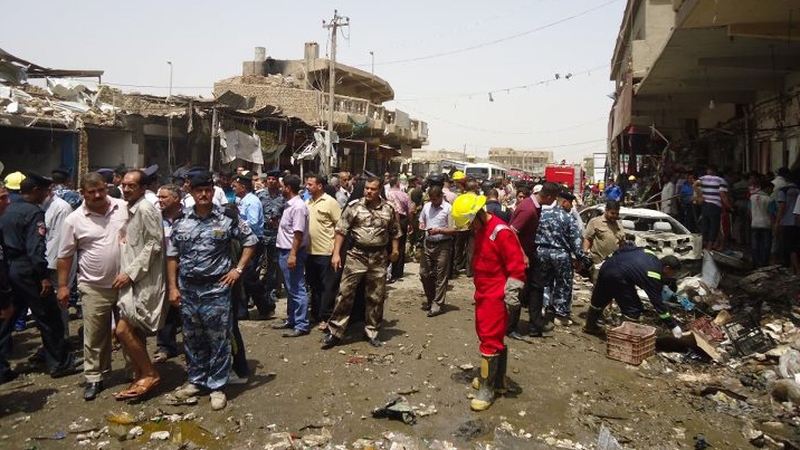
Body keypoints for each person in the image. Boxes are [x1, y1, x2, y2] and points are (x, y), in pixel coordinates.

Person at [166, 172, 258, 411]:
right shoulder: (180, 219)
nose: (203, 194)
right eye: (199, 190)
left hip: (216, 288)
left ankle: (217, 385)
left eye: (207, 189)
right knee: (192, 337)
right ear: (191, 192)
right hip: (188, 288)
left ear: (212, 190)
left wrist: (237, 269)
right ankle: (196, 380)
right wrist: (173, 287)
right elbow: (172, 256)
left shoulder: (227, 217)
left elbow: (251, 241)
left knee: (218, 338)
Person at [0, 173, 78, 384]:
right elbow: (36, 249)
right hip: (29, 270)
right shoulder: (33, 213)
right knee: (50, 317)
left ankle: (2, 368)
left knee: (7, 318)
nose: (46, 194)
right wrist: (43, 276)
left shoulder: (8, 210)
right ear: (35, 190)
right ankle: (59, 364)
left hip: (10, 269)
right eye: (43, 190)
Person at [451, 193, 525, 412]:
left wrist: (511, 295)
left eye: (469, 222)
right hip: (483, 292)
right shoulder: (482, 229)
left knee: (490, 339)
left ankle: (487, 389)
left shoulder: (500, 232)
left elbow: (517, 266)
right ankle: (498, 381)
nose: (469, 228)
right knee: (487, 335)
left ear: (477, 215)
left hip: (496, 295)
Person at [58, 172, 128, 400]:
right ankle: (94, 377)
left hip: (126, 284)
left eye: (101, 190)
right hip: (93, 286)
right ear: (83, 193)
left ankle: (135, 371)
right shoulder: (74, 220)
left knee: (130, 331)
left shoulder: (124, 208)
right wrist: (62, 285)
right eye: (92, 192)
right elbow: (66, 255)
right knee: (95, 335)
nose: (98, 195)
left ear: (106, 188)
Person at [321, 177, 401, 349]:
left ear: (379, 190)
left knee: (376, 296)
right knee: (345, 293)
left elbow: (395, 231)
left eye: (373, 189)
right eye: (367, 188)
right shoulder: (354, 206)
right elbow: (341, 231)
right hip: (356, 255)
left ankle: (371, 331)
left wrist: (394, 251)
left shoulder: (389, 209)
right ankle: (335, 332)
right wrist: (336, 254)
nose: (368, 192)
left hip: (379, 257)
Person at [112, 170, 167, 400]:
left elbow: (154, 244)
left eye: (131, 186)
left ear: (143, 188)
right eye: (124, 185)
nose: (126, 189)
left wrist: (130, 274)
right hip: (134, 280)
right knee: (133, 330)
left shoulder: (146, 209)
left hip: (144, 281)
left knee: (122, 330)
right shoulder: (132, 209)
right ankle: (140, 374)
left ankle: (149, 372)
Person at [583, 245, 684, 339]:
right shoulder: (653, 274)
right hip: (619, 276)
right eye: (673, 272)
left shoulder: (648, 252)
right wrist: (673, 325)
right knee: (634, 309)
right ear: (667, 268)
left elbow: (625, 248)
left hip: (607, 266)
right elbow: (657, 303)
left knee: (600, 299)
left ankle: (590, 326)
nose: (672, 276)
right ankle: (622, 339)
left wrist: (610, 257)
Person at [508, 182, 559, 338]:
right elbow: (512, 231)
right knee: (518, 290)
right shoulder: (528, 209)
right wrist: (522, 255)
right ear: (548, 196)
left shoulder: (534, 206)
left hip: (530, 253)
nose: (554, 202)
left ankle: (535, 325)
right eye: (554, 198)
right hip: (520, 255)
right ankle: (510, 327)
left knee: (537, 286)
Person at [535, 190, 591, 327]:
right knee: (563, 284)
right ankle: (560, 316)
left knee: (543, 282)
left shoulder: (542, 214)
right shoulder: (568, 218)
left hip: (541, 252)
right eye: (570, 203)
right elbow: (576, 243)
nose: (571, 207)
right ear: (564, 202)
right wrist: (582, 259)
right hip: (561, 255)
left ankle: (541, 308)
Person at [270, 174, 311, 338]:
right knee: (290, 288)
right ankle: (292, 319)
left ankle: (302, 324)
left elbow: (298, 233)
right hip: (284, 250)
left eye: (282, 186)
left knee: (297, 288)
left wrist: (293, 255)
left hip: (291, 252)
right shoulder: (289, 205)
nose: (280, 189)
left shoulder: (298, 207)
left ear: (288, 188)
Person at [232, 173, 272, 319]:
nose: (233, 188)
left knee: (250, 276)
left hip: (253, 242)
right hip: (242, 242)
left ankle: (266, 306)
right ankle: (242, 311)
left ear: (243, 187)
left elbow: (253, 222)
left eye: (235, 186)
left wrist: (238, 225)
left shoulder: (252, 201)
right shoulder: (241, 200)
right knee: (241, 276)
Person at [304, 174, 341, 327]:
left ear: (319, 186)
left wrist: (337, 252)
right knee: (314, 285)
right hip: (309, 251)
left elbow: (340, 227)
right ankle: (316, 314)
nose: (307, 187)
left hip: (326, 251)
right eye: (307, 184)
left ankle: (326, 317)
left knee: (327, 286)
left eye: (310, 184)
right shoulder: (307, 202)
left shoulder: (331, 203)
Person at [154, 184, 183, 363]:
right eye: (159, 197)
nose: (160, 200)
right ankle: (165, 346)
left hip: (186, 269)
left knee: (186, 309)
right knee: (165, 308)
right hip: (162, 270)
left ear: (176, 198)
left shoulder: (188, 216)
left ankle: (192, 346)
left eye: (164, 197)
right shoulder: (156, 219)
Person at [418, 186, 456, 317]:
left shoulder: (448, 209)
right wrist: (422, 224)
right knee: (424, 273)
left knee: (441, 275)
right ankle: (431, 299)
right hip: (428, 243)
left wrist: (439, 230)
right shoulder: (427, 207)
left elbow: (453, 229)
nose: (433, 202)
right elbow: (421, 219)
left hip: (443, 244)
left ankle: (437, 304)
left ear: (441, 197)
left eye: (435, 199)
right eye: (432, 199)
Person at [257, 169, 285, 311]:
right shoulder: (260, 196)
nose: (271, 181)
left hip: (276, 234)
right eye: (269, 179)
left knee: (274, 264)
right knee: (259, 263)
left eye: (274, 179)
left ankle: (272, 290)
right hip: (262, 233)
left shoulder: (282, 197)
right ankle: (257, 291)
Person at [583, 200, 626, 281]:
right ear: (606, 210)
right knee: (598, 287)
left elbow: (622, 243)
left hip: (614, 264)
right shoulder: (595, 222)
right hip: (598, 262)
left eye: (617, 214)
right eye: (612, 213)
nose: (614, 216)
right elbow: (588, 238)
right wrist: (585, 253)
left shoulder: (619, 225)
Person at [698, 164, 731, 250]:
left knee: (705, 225)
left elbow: (695, 187)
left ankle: (703, 245)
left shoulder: (702, 179)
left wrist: (700, 197)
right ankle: (710, 246)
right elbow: (722, 195)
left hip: (705, 205)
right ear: (716, 171)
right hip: (715, 205)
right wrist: (730, 207)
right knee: (714, 226)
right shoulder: (721, 180)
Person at [386, 176, 410, 282]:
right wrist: (409, 223)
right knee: (400, 246)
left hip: (391, 220)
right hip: (403, 220)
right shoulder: (404, 195)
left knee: (390, 245)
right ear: (398, 184)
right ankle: (397, 271)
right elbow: (410, 209)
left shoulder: (387, 194)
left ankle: (388, 271)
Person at [748, 179, 776, 268]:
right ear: (767, 188)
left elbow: (749, 211)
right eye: (771, 189)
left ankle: (755, 262)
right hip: (766, 225)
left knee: (755, 244)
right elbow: (772, 214)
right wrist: (774, 226)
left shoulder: (752, 197)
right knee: (766, 245)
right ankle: (764, 263)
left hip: (755, 224)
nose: (772, 191)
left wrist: (752, 219)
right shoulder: (770, 199)